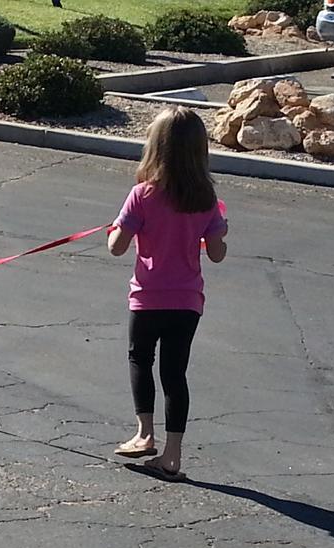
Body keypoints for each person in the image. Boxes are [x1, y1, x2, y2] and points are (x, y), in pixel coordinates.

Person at [107, 106, 228, 481]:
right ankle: (173, 456)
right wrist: (214, 233)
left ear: (155, 148)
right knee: (175, 373)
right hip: (187, 301)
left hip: (148, 297)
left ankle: (145, 434)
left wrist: (116, 228)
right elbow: (218, 253)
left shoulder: (142, 194)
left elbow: (116, 246)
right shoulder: (205, 198)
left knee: (140, 359)